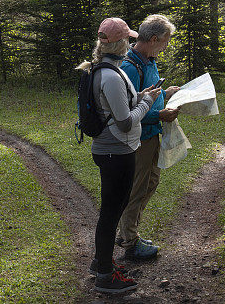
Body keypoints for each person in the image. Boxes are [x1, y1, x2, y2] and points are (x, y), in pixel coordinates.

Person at [78, 17, 163, 294]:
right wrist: (148, 103)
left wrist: (142, 95)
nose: (131, 43)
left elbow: (123, 102)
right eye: (128, 39)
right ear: (120, 43)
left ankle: (101, 263)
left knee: (111, 210)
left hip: (112, 149)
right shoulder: (111, 76)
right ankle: (105, 276)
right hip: (115, 151)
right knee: (110, 213)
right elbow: (126, 121)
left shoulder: (105, 70)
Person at [117, 14, 180, 261]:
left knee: (151, 182)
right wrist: (158, 116)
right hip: (140, 138)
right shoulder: (130, 67)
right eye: (165, 42)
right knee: (137, 188)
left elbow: (148, 94)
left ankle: (127, 230)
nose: (166, 47)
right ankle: (129, 240)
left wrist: (165, 92)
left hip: (153, 135)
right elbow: (127, 112)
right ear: (154, 39)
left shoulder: (149, 61)